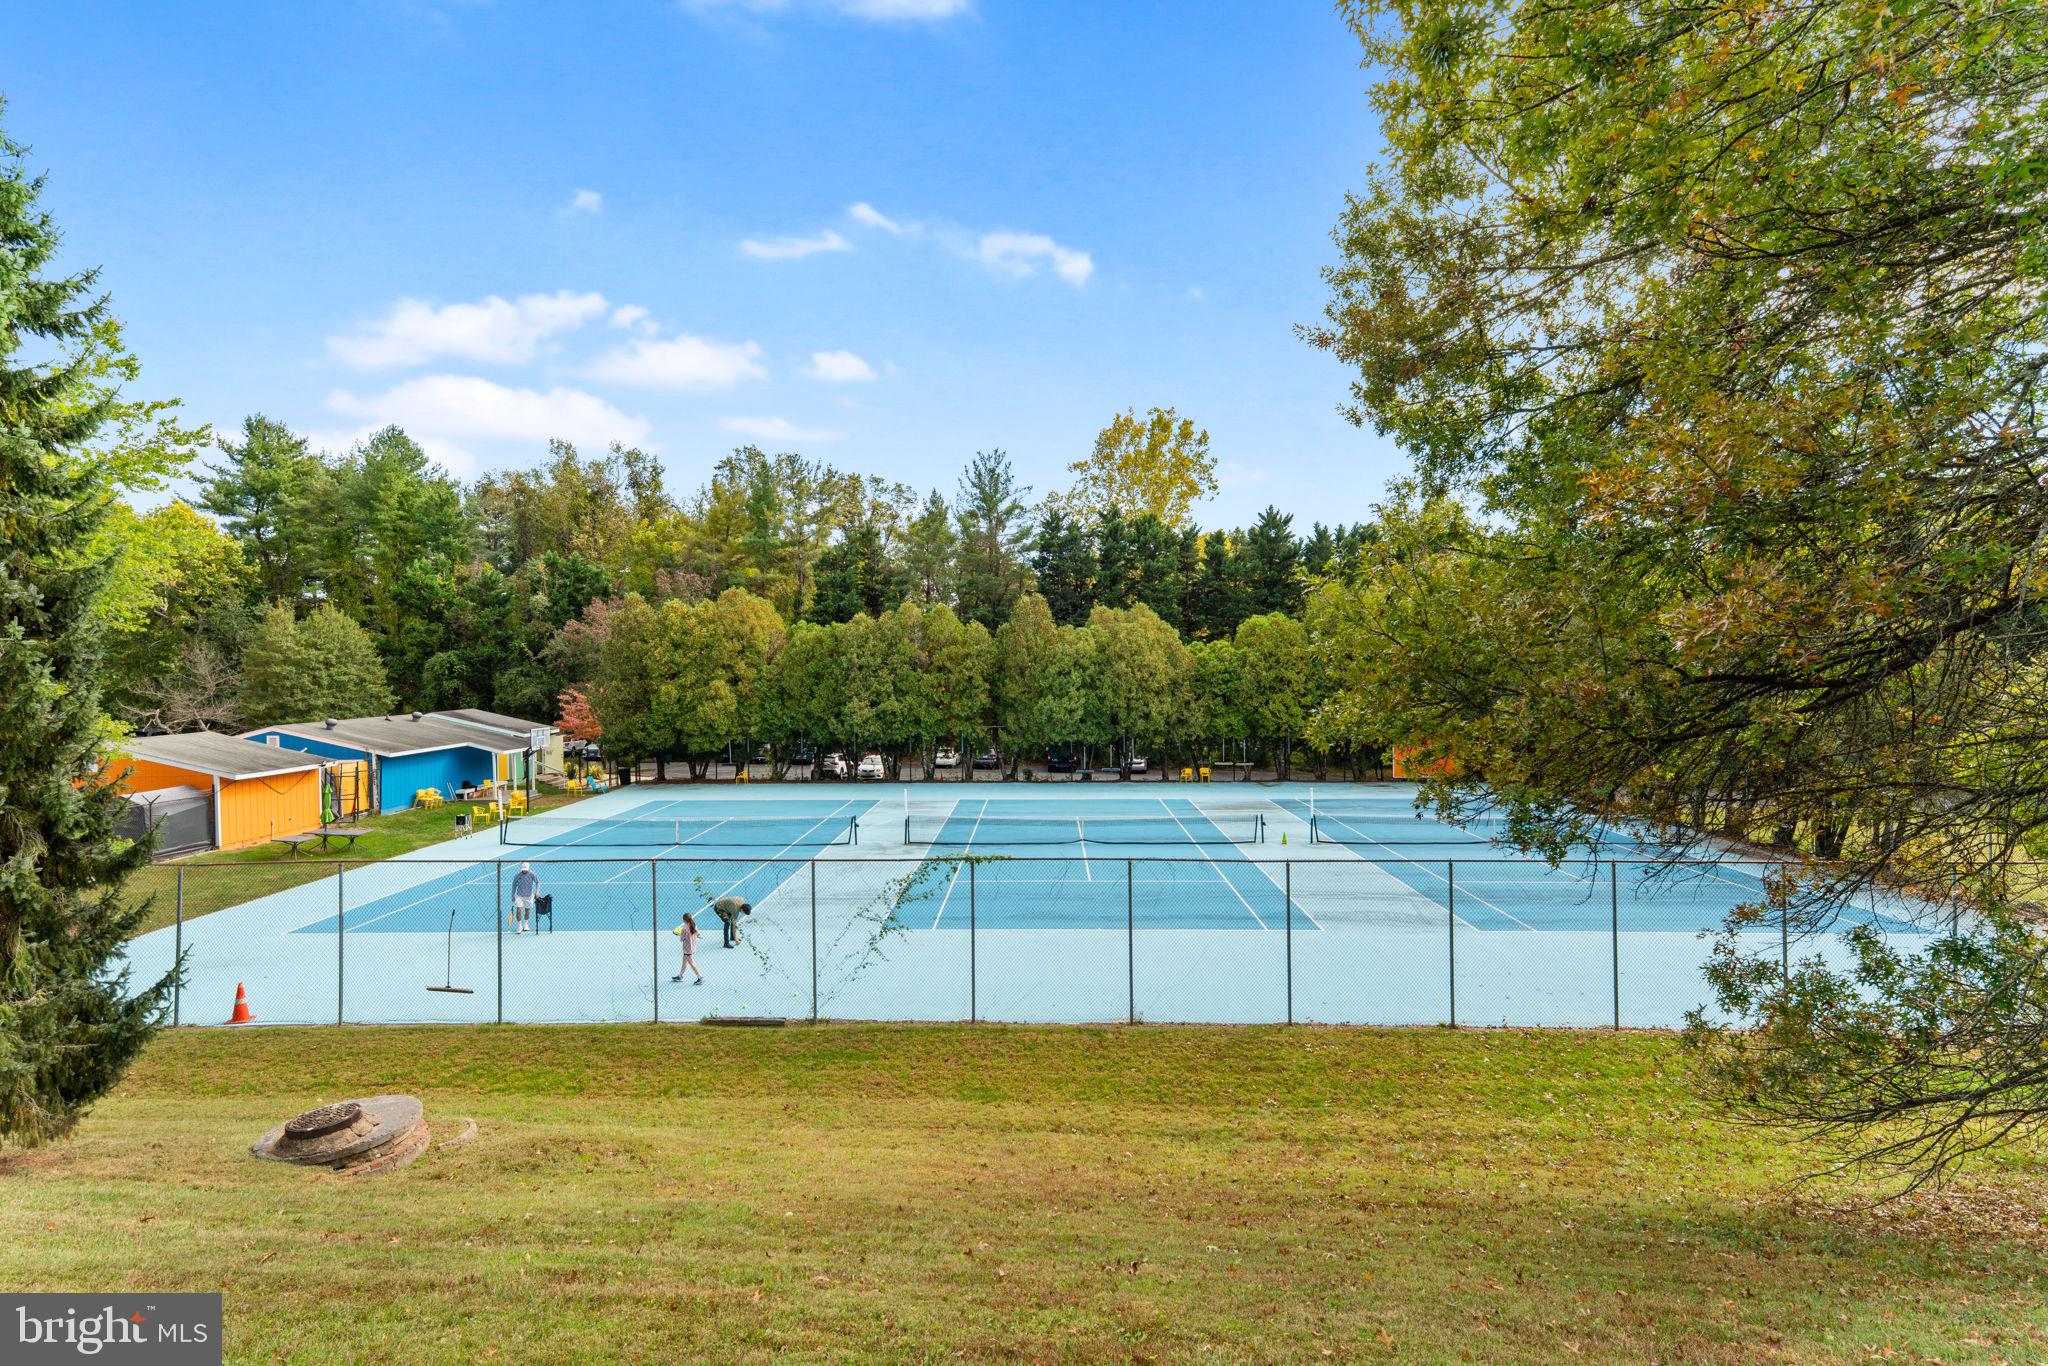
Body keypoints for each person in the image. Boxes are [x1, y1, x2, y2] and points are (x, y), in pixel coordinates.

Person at [671, 911, 704, 985]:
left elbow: (681, 939)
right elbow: (698, 934)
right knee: (684, 961)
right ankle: (680, 976)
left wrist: (678, 934)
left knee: (691, 962)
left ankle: (700, 977)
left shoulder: (684, 928)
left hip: (687, 948)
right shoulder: (694, 925)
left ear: (684, 920)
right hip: (692, 947)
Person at [510, 861, 539, 934]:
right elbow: (514, 885)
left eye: (525, 869)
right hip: (519, 896)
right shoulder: (517, 875)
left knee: (527, 911)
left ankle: (525, 924)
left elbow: (537, 883)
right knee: (518, 910)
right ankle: (519, 925)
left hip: (529, 896)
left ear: (528, 868)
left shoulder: (532, 874)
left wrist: (537, 891)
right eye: (523, 869)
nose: (524, 871)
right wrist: (513, 895)